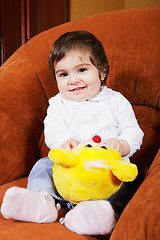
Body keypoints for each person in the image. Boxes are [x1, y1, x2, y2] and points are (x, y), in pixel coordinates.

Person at [1, 31, 144, 235]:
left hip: (105, 167)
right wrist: (63, 142)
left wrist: (122, 145)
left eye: (82, 70)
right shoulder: (58, 104)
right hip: (69, 169)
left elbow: (133, 130)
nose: (73, 80)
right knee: (43, 165)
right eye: (64, 74)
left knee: (129, 178)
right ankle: (43, 201)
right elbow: (53, 129)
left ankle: (93, 215)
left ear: (102, 72)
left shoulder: (116, 101)